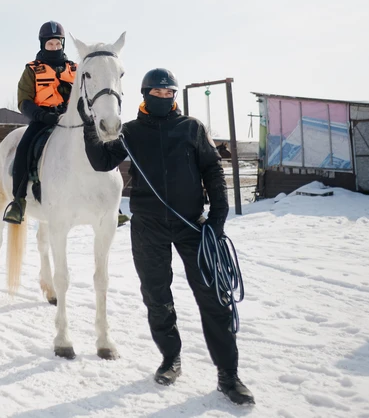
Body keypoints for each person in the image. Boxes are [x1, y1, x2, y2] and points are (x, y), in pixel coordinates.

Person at [79, 68, 254, 406]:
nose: (163, 98)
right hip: (148, 226)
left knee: (213, 299)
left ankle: (228, 375)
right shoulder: (129, 132)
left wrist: (217, 217)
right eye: (156, 93)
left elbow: (213, 170)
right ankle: (170, 358)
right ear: (145, 94)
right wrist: (90, 124)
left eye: (168, 93)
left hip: (192, 225)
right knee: (157, 296)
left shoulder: (191, 128)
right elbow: (101, 161)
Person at [1, 21, 77, 224]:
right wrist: (41, 116)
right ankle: (18, 202)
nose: (54, 47)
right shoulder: (32, 70)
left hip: (72, 120)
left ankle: (107, 200)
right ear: (43, 44)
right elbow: (23, 101)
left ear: (62, 44)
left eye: (57, 44)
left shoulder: (75, 69)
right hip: (43, 119)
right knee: (24, 148)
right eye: (50, 44)